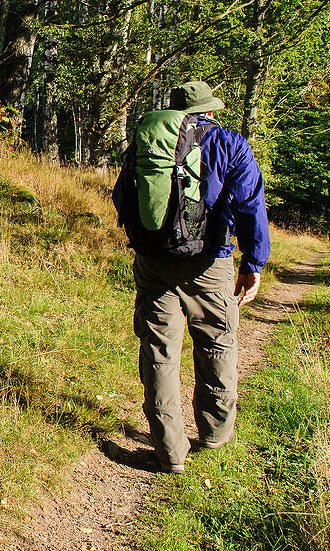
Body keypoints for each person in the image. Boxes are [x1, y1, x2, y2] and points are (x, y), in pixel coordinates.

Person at [113, 80, 270, 474]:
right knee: (217, 343)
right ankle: (215, 434)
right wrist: (254, 263)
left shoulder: (147, 142)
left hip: (154, 263)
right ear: (210, 112)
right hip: (210, 265)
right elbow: (251, 205)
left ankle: (169, 452)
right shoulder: (230, 144)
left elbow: (121, 195)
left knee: (160, 352)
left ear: (178, 112)